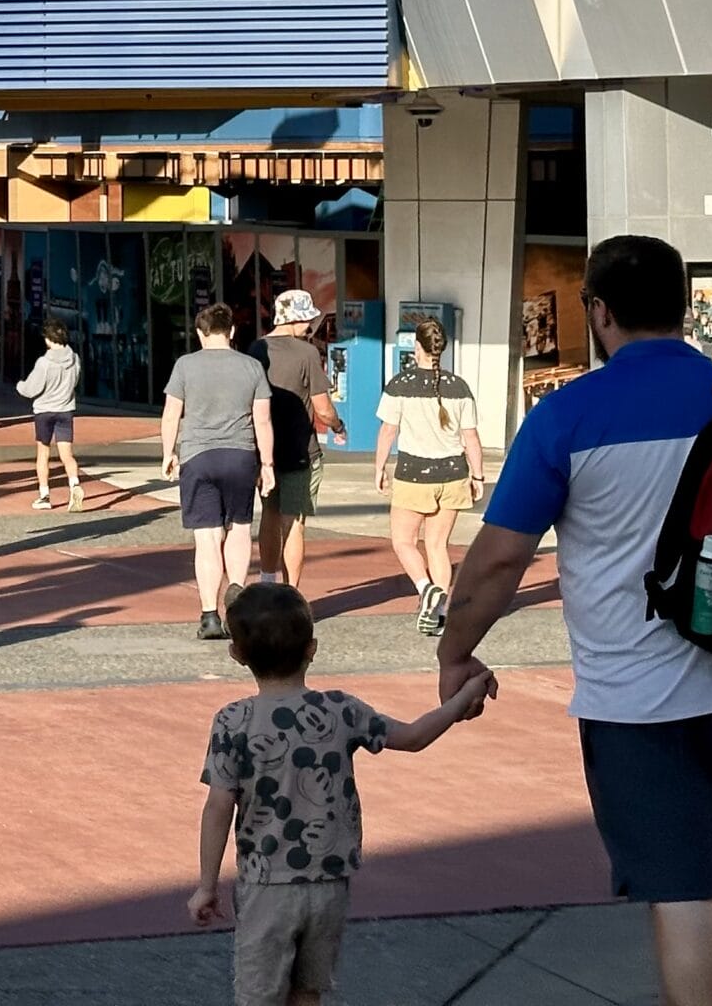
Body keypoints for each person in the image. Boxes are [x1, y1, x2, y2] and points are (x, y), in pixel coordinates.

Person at [437, 235, 712, 1006]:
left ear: (598, 312)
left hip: (634, 702)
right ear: (687, 306)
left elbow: (499, 560)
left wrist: (455, 650)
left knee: (681, 897)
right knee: (707, 887)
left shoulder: (568, 415)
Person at [188, 583, 490, 1005]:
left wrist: (207, 884)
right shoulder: (340, 710)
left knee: (259, 994)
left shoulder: (233, 722)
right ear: (312, 648)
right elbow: (413, 737)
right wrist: (462, 700)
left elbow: (218, 806)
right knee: (309, 991)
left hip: (266, 882)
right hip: (329, 879)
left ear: (236, 654)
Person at [162, 305, 276, 642]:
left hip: (198, 456)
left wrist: (169, 452)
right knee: (240, 528)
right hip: (241, 456)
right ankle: (237, 601)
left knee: (207, 537)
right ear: (232, 332)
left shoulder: (185, 365)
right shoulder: (252, 367)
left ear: (200, 333)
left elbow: (172, 414)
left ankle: (209, 616)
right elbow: (263, 420)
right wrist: (266, 464)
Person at [371, 317, 483, 634]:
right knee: (437, 545)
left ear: (417, 347)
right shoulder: (459, 387)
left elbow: (387, 431)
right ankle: (442, 612)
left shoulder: (399, 384)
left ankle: (425, 588)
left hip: (413, 474)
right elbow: (471, 437)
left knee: (404, 541)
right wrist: (477, 476)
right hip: (453, 474)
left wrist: (379, 468)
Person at [257, 290, 342, 591]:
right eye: (308, 319)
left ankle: (266, 583)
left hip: (265, 451)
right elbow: (323, 408)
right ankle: (291, 592)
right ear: (295, 319)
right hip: (299, 450)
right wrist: (338, 425)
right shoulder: (306, 353)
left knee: (268, 514)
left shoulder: (256, 349)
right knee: (293, 523)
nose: (310, 325)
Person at [15, 312, 83, 511]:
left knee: (43, 452)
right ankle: (75, 484)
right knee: (67, 454)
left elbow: (31, 388)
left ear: (48, 338)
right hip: (66, 409)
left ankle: (44, 495)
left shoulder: (44, 363)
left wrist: (20, 386)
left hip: (44, 410)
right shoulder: (75, 359)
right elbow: (75, 381)